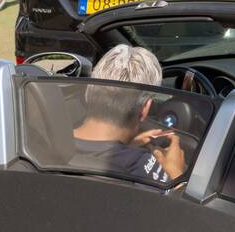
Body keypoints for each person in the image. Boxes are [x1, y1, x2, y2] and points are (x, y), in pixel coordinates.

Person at [70, 45, 186, 184]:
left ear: (87, 93)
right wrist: (176, 176)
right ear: (145, 108)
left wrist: (129, 146)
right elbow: (177, 205)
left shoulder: (49, 143)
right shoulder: (139, 166)